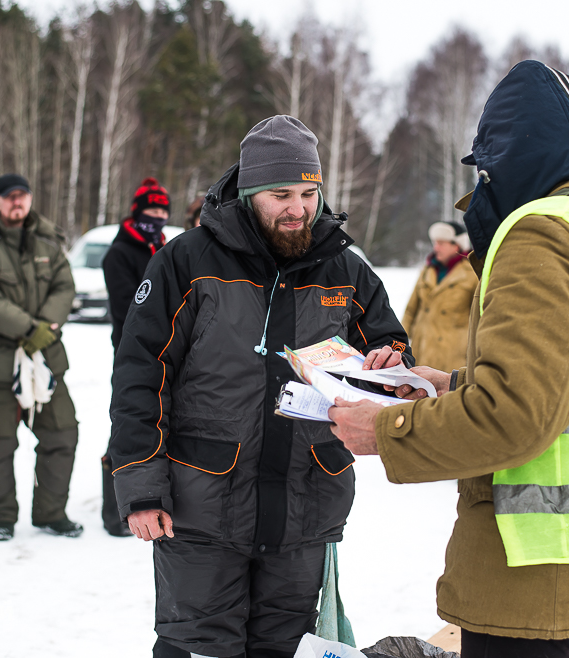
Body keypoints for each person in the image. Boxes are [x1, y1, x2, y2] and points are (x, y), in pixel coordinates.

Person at [329, 61, 569, 658]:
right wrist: (451, 383)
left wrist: (385, 429)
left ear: (510, 157)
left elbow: (515, 418)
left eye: (488, 169)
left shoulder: (545, 233)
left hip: (537, 577)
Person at [108, 115, 411, 658]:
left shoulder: (346, 270)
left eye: (309, 192)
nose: (298, 208)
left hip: (306, 504)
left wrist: (391, 365)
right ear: (248, 193)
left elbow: (389, 351)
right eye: (280, 194)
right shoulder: (186, 262)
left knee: (285, 650)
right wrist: (141, 486)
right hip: (200, 506)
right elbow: (141, 375)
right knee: (199, 648)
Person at [0, 173, 81, 541]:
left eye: (23, 196)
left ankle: (50, 513)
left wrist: (47, 325)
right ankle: (0, 517)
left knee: (63, 434)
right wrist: (30, 329)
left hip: (44, 359)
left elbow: (64, 285)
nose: (17, 202)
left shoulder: (48, 239)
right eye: (9, 197)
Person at [100, 176, 171, 537]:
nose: (157, 215)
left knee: (159, 421)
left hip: (167, 350)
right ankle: (114, 513)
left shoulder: (163, 247)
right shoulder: (120, 252)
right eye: (151, 209)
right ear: (137, 210)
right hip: (130, 349)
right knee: (129, 425)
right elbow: (128, 308)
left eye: (162, 210)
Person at [402, 221, 475, 370]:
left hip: (453, 360)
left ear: (457, 245)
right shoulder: (427, 270)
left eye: (441, 243)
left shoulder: (473, 273)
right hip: (421, 353)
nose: (436, 248)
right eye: (435, 243)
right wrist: (398, 344)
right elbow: (411, 310)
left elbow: (481, 319)